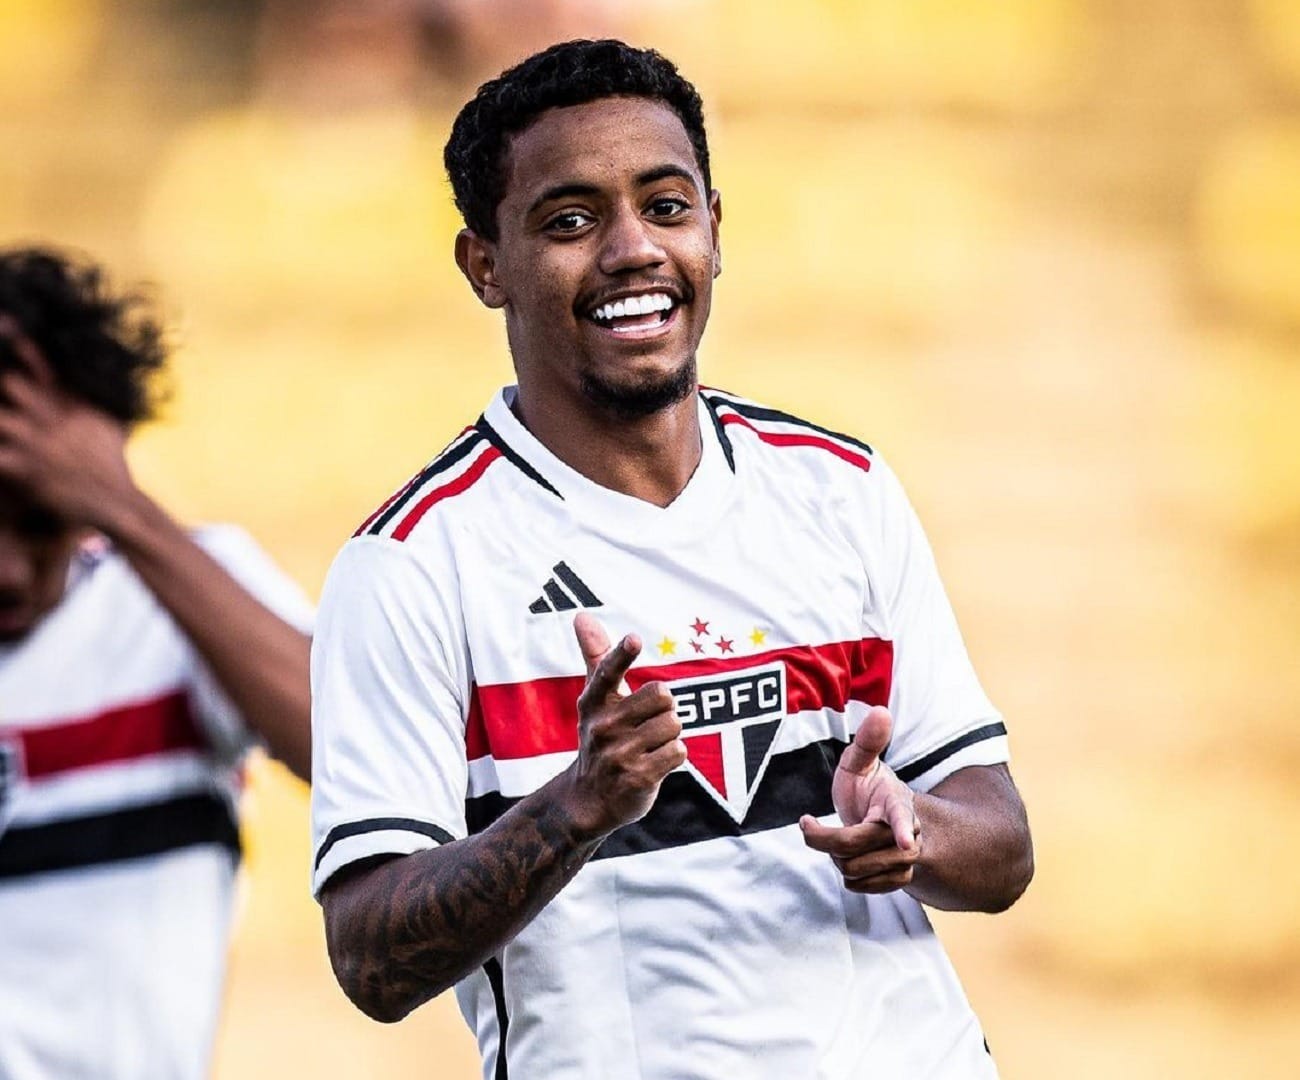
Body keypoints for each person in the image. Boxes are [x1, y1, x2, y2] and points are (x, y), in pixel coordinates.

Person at [311, 39, 1033, 1079]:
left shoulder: (840, 488)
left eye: (665, 206)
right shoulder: (414, 563)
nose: (632, 250)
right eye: (569, 221)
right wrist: (576, 807)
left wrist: (915, 828)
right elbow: (370, 961)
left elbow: (1002, 849)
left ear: (714, 229)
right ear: (486, 266)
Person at [0, 247, 313, 1079]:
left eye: (39, 520)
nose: (8, 570)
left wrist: (124, 510)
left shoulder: (178, 600)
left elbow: (354, 753)